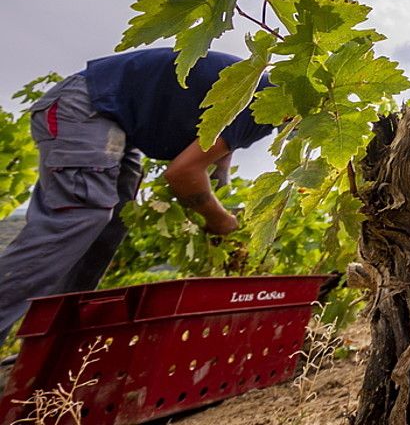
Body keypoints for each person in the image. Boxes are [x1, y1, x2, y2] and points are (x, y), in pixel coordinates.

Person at [0, 47, 273, 341]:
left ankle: (52, 342)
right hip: (86, 108)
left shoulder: (256, 88)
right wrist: (220, 220)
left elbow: (218, 129)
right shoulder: (265, 103)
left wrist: (221, 167)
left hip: (111, 121)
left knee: (110, 219)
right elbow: (181, 174)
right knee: (82, 214)